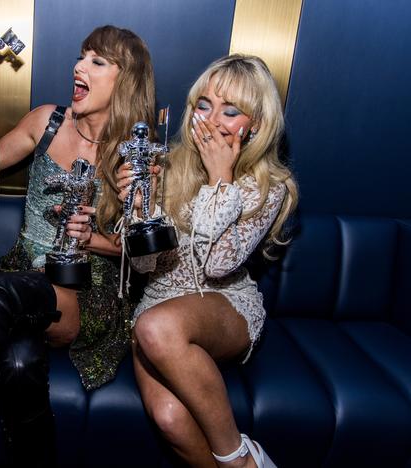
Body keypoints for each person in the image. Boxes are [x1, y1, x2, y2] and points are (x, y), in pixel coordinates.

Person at [0, 25, 156, 466]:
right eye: (81, 56)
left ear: (126, 79)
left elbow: (147, 253)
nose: (79, 66)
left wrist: (93, 238)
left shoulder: (136, 154)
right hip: (27, 274)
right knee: (18, 366)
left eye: (98, 61)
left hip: (86, 289)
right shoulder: (47, 120)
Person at [116, 54, 298, 468]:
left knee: (156, 325)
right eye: (204, 105)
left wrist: (221, 180)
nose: (213, 120)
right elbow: (146, 269)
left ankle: (240, 459)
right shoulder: (166, 166)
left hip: (223, 305)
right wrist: (140, 210)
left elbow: (216, 265)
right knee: (169, 418)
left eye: (231, 111)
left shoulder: (269, 186)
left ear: (256, 123)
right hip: (159, 305)